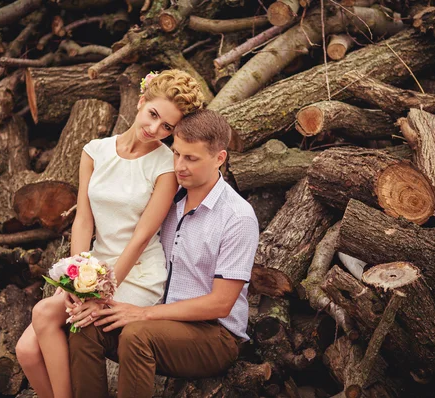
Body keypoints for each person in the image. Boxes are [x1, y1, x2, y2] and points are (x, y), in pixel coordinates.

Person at [15, 69, 205, 398]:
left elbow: (143, 236)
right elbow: (83, 221)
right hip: (93, 267)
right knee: (27, 352)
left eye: (167, 127)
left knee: (45, 312)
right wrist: (75, 278)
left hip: (136, 274)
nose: (155, 129)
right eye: (154, 115)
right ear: (141, 102)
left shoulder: (165, 166)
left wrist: (102, 292)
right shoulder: (94, 151)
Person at [68, 109, 260, 398]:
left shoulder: (237, 217)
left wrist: (144, 314)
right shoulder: (168, 199)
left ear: (220, 158)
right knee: (84, 327)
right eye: (177, 154)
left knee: (137, 335)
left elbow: (221, 303)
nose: (179, 166)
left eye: (191, 158)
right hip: (158, 321)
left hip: (214, 336)